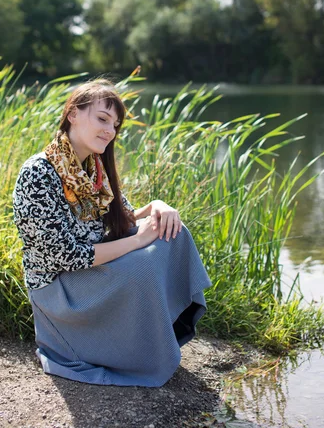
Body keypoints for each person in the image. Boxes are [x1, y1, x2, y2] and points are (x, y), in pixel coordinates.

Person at [13, 79, 211, 387]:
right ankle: (131, 348)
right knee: (143, 263)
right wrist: (136, 241)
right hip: (62, 290)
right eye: (102, 119)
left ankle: (163, 331)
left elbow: (125, 217)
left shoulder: (93, 167)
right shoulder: (38, 173)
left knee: (173, 231)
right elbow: (69, 256)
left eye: (115, 125)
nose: (110, 131)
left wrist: (157, 206)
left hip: (94, 267)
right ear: (73, 114)